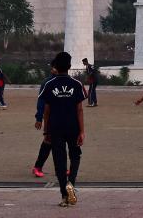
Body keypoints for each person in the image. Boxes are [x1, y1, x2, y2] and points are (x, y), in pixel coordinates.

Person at [39, 52, 85, 207]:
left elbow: (47, 110)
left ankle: (64, 196)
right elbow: (79, 109)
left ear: (55, 67)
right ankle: (71, 182)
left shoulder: (49, 85)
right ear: (70, 67)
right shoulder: (77, 84)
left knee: (59, 160)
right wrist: (82, 131)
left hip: (55, 127)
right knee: (75, 155)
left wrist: (46, 132)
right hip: (73, 126)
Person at [31, 66, 58, 178]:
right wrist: (39, 118)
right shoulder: (47, 82)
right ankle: (38, 167)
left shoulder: (67, 81)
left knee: (60, 144)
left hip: (63, 117)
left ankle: (61, 169)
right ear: (52, 69)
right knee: (48, 142)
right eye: (54, 67)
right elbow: (41, 101)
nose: (56, 69)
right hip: (50, 117)